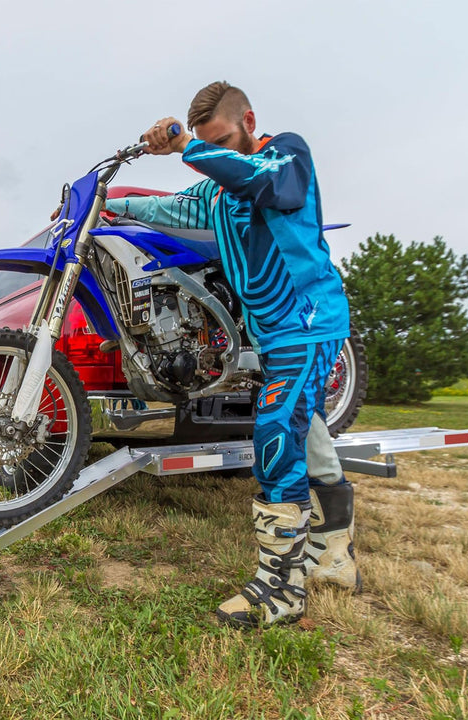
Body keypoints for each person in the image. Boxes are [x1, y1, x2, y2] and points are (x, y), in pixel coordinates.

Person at [105, 81, 360, 628]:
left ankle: (282, 588)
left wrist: (185, 148)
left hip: (308, 321)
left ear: (247, 118)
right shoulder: (218, 191)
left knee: (273, 432)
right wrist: (111, 204)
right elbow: (175, 207)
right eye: (205, 142)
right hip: (273, 331)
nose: (215, 151)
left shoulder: (286, 154)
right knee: (308, 431)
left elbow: (264, 182)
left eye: (221, 139)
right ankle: (335, 558)